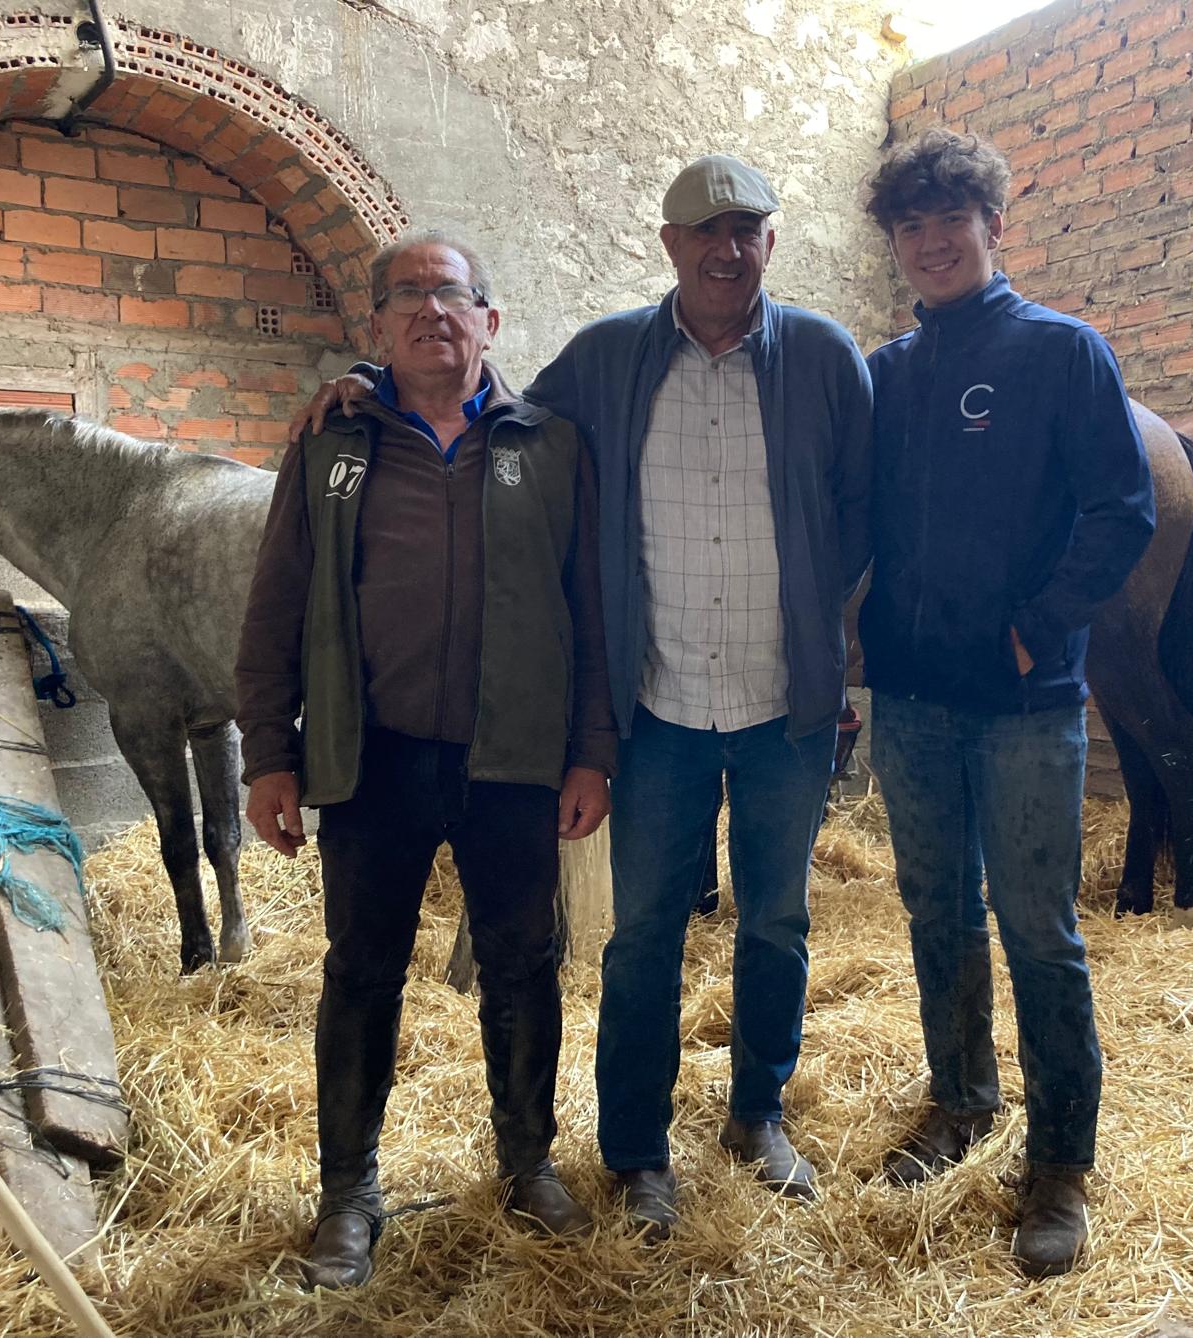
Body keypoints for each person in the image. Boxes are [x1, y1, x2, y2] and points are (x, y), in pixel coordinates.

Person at [297, 155, 874, 1240]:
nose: (725, 249)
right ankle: (636, 1152)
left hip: (780, 706)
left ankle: (757, 1116)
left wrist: (822, 637)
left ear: (769, 243)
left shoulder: (826, 358)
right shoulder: (609, 356)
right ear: (668, 245)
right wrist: (370, 390)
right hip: (655, 706)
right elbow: (484, 403)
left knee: (779, 921)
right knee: (642, 934)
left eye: (746, 229)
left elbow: (860, 506)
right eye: (704, 231)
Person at [235, 232, 616, 1290]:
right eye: (404, 297)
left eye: (451, 295)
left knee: (522, 962)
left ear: (490, 321)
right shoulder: (331, 446)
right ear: (375, 330)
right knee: (361, 971)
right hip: (373, 755)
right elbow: (274, 606)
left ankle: (526, 1162)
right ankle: (348, 1193)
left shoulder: (549, 447)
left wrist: (589, 751)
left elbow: (588, 610)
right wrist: (271, 754)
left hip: (513, 757)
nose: (429, 311)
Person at [859, 128, 1156, 1277]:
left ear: (994, 226)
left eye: (950, 221)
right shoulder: (888, 372)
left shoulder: (1061, 352)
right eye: (910, 228)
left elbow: (1120, 509)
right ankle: (961, 1103)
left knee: (1039, 930)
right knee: (935, 908)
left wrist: (1039, 625)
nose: (931, 243)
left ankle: (1059, 1163)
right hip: (913, 698)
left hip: (1027, 702)